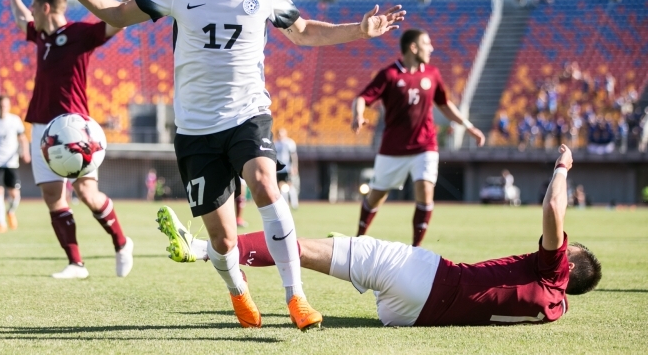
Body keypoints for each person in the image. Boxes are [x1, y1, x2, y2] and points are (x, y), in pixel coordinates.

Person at [43, 0, 405, 330]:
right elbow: (118, 15)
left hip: (247, 114)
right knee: (222, 237)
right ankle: (238, 291)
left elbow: (303, 32)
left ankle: (297, 299)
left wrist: (360, 30)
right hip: (195, 129)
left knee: (266, 185)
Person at [161, 145, 601, 327]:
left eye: (567, 245)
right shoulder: (555, 308)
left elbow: (553, 208)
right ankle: (210, 249)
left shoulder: (554, 271)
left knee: (300, 246)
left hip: (428, 277)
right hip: (410, 316)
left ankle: (202, 248)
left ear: (570, 264)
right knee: (322, 249)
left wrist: (562, 167)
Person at [5, 0, 144, 279]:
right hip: (41, 126)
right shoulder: (42, 36)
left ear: (45, 8)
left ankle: (122, 243)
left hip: (75, 129)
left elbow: (118, 20)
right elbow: (18, 18)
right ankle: (76, 263)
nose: (30, 15)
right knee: (53, 197)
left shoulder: (79, 33)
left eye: (32, 7)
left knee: (87, 194)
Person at [350, 29, 486, 246]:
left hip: (425, 146)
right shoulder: (390, 75)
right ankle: (358, 239)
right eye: (426, 43)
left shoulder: (432, 73)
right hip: (393, 148)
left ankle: (416, 250)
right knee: (376, 196)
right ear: (413, 48)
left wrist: (468, 126)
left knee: (425, 190)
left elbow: (445, 104)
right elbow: (361, 98)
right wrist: (358, 115)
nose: (431, 48)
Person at [0, 95, 30, 232]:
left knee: (14, 194)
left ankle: (11, 212)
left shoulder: (15, 121)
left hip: (11, 162)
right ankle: (1, 223)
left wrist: (25, 153)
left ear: (9, 106)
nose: (3, 108)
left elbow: (23, 139)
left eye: (5, 106)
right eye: (1, 106)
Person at [274, 128, 299, 209]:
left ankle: (294, 203)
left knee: (289, 185)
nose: (280, 136)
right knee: (281, 186)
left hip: (287, 168)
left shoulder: (289, 143)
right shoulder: (275, 144)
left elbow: (293, 156)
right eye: (278, 134)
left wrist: (294, 166)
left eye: (281, 134)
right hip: (279, 168)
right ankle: (285, 203)